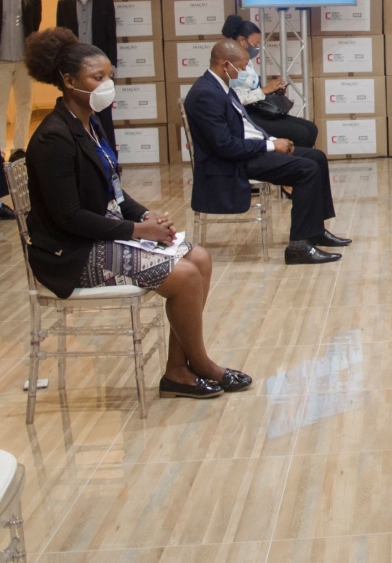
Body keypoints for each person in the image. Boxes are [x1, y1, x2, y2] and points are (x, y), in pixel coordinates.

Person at [22, 28, 250, 399]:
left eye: (109, 76)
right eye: (97, 78)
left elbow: (112, 188)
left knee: (201, 258)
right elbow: (69, 217)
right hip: (72, 252)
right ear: (67, 81)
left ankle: (178, 370)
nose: (106, 85)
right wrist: (137, 230)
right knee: (186, 277)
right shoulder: (53, 138)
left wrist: (148, 217)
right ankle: (200, 365)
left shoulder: (90, 124)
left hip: (102, 233)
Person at [184, 40, 349, 265]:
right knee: (306, 169)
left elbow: (246, 126)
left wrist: (271, 139)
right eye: (241, 68)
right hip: (229, 163)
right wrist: (271, 146)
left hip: (246, 151)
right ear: (225, 65)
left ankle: (314, 229)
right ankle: (298, 247)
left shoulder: (221, 87)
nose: (243, 72)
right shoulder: (205, 94)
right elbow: (224, 146)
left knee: (316, 157)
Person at [219, 14, 318, 148]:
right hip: (245, 116)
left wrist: (273, 90)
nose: (257, 48)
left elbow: (251, 90)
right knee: (302, 134)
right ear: (242, 40)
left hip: (257, 109)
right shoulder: (230, 65)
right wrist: (264, 90)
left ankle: (303, 163)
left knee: (311, 128)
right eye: (255, 44)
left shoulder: (248, 63)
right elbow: (234, 99)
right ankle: (293, 164)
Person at [56, 0, 117, 149]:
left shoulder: (105, 4)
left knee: (104, 114)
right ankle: (81, 151)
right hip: (75, 69)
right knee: (76, 111)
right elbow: (61, 38)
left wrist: (112, 67)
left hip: (98, 69)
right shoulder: (64, 4)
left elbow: (110, 37)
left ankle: (110, 156)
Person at [0, 0, 41, 157]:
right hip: (1, 61)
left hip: (24, 60)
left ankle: (18, 148)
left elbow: (35, 26)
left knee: (24, 104)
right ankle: (0, 149)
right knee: (0, 105)